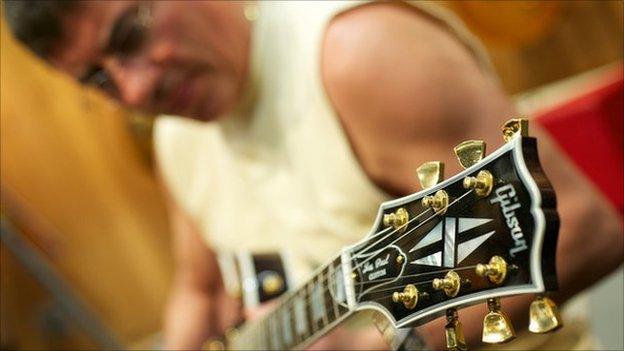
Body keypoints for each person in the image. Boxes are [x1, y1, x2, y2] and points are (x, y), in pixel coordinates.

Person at [4, 1, 622, 350]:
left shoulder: (356, 55)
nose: (136, 87)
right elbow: (202, 288)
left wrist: (387, 348)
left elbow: (584, 228)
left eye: (132, 33)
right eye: (99, 80)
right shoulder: (176, 137)